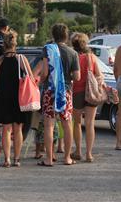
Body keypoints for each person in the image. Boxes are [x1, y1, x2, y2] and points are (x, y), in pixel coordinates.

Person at [0, 30, 32, 167]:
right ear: (15, 44)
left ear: (3, 45)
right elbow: (30, 78)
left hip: (3, 97)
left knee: (6, 129)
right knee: (18, 129)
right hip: (19, 98)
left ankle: (6, 159)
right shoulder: (22, 59)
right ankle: (16, 159)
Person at [39, 23, 80, 167]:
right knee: (67, 124)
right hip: (66, 91)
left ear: (53, 35)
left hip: (50, 90)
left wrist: (40, 81)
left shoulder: (47, 49)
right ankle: (67, 158)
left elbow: (44, 73)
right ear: (66, 36)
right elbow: (77, 76)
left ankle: (49, 159)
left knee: (49, 125)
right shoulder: (73, 53)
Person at [71, 33, 104, 163]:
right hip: (91, 92)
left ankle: (78, 151)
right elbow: (99, 75)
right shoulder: (92, 57)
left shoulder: (73, 57)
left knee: (77, 123)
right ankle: (89, 154)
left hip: (77, 92)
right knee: (90, 123)